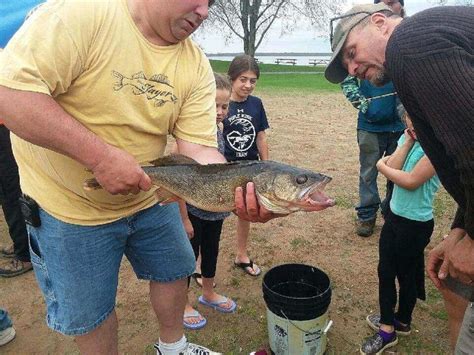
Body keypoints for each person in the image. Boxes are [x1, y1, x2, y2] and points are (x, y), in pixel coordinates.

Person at [0, 1, 293, 354]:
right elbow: (10, 95)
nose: (204, 11)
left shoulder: (194, 64)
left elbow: (199, 149)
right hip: (68, 210)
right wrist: (100, 157)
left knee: (174, 269)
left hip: (154, 196)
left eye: (212, 3)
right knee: (92, 313)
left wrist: (238, 188)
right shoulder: (80, 14)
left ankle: (173, 347)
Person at [324, 3, 474, 352]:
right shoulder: (412, 61)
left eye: (351, 52)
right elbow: (459, 158)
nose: (352, 68)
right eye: (346, 64)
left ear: (379, 23)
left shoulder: (407, 42)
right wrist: (459, 232)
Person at [361, 113, 440, 354]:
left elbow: (411, 181)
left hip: (415, 224)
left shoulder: (436, 147)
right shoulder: (410, 139)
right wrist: (406, 141)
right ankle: (400, 321)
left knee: (404, 275)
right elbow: (395, 166)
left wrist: (380, 166)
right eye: (410, 116)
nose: (413, 122)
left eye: (419, 116)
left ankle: (389, 329)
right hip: (394, 216)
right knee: (387, 270)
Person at [340, 0, 405, 238]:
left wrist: (405, 115)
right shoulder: (367, 47)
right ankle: (366, 215)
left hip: (399, 128)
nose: (390, 5)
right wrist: (363, 105)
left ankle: (391, 213)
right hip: (369, 127)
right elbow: (346, 82)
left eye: (393, 2)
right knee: (368, 173)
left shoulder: (403, 49)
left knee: (395, 173)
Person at [178, 73, 236, 330]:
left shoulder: (220, 133)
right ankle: (183, 303)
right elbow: (176, 180)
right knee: (188, 258)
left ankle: (209, 292)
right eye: (214, 105)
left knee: (211, 252)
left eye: (225, 106)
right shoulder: (189, 138)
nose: (221, 112)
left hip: (216, 213)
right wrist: (183, 218)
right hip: (192, 212)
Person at [0, 1, 44, 277]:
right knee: (7, 190)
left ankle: (24, 252)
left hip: (8, 123)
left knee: (12, 188)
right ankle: (20, 243)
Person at [223, 54, 270, 277]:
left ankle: (241, 255)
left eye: (252, 80)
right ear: (232, 78)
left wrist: (267, 166)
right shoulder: (221, 104)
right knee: (211, 218)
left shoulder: (256, 104)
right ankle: (200, 264)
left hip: (250, 167)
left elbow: (260, 136)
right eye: (243, 79)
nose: (248, 85)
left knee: (245, 213)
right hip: (224, 169)